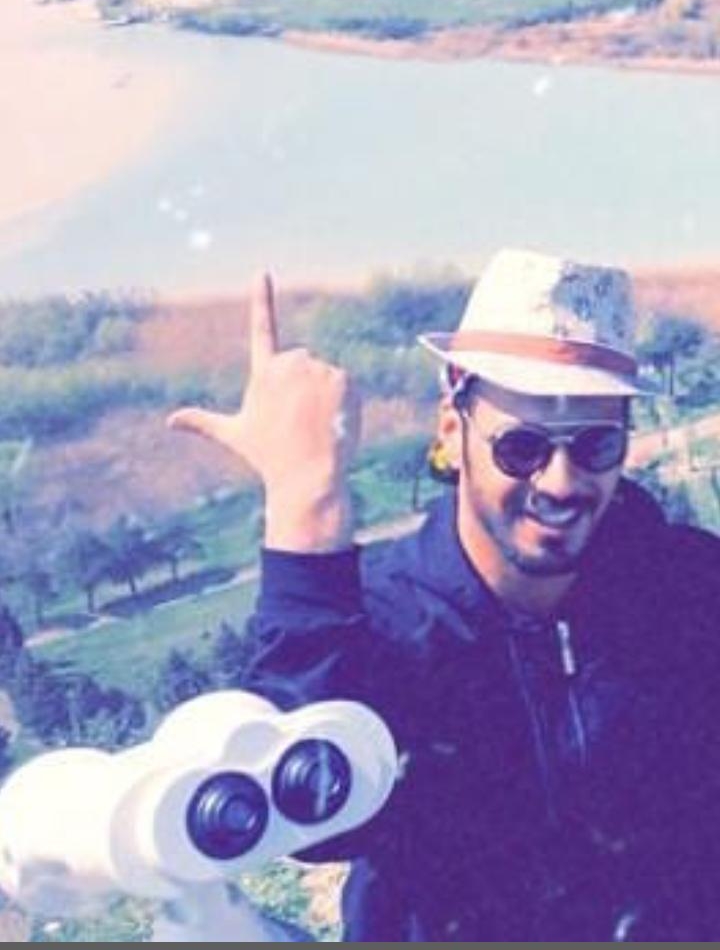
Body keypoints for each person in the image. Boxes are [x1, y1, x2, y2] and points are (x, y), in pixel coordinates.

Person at [168, 249, 720, 943]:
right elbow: (312, 825)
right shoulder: (378, 625)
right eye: (521, 447)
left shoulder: (687, 589)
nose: (559, 481)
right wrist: (306, 502)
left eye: (594, 446)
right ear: (452, 432)